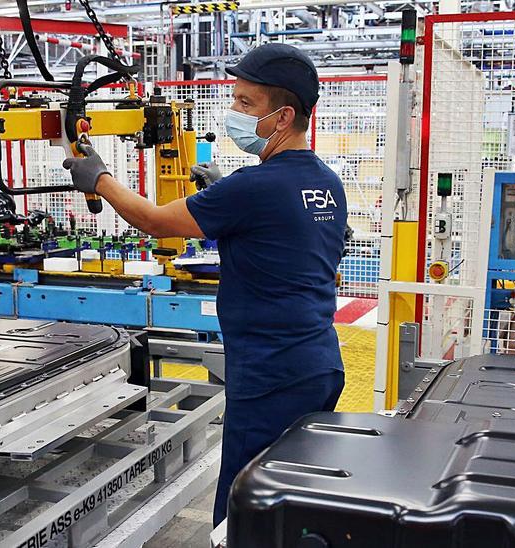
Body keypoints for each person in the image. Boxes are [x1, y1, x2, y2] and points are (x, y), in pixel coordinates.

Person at [61, 43, 347, 525]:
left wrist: (101, 179)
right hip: (318, 363)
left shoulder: (252, 188)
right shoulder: (326, 182)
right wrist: (219, 191)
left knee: (245, 502)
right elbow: (285, 238)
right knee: (294, 496)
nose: (232, 111)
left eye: (245, 104)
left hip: (268, 373)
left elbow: (153, 220)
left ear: (283, 117)